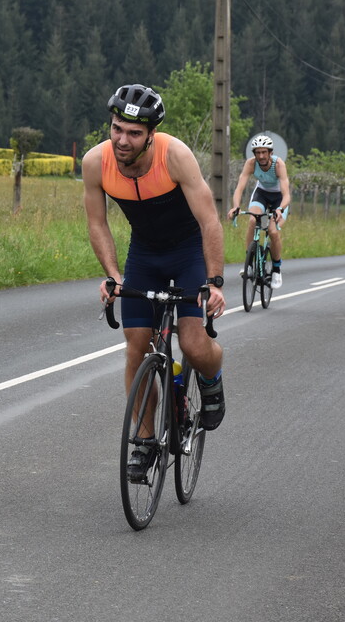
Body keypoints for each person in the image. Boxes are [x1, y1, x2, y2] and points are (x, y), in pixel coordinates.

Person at [83, 83, 227, 482]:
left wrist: (214, 281)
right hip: (144, 254)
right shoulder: (95, 162)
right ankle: (145, 440)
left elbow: (209, 221)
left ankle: (211, 380)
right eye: (116, 129)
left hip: (187, 252)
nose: (121, 140)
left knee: (194, 343)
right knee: (136, 349)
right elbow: (97, 224)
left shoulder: (174, 156)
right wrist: (113, 276)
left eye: (133, 133)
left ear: (151, 135)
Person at [227, 134, 291, 288]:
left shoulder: (278, 165)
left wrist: (280, 209)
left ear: (270, 152)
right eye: (258, 152)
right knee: (252, 220)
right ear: (254, 154)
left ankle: (276, 269)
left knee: (273, 232)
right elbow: (240, 188)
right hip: (261, 194)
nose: (261, 156)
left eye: (264, 152)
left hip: (279, 198)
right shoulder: (251, 164)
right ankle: (249, 264)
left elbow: (286, 195)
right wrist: (236, 206)